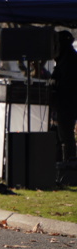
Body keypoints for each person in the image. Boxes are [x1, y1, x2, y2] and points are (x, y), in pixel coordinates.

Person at [51, 31, 77, 162]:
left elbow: (66, 84)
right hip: (66, 103)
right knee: (63, 136)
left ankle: (69, 164)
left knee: (66, 136)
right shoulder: (66, 57)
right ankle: (64, 162)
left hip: (67, 104)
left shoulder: (68, 59)